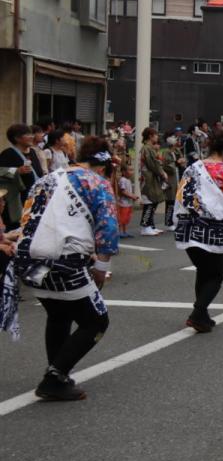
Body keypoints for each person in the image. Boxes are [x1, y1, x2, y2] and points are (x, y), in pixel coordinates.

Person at [13, 136, 119, 401]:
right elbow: (107, 230)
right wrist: (101, 268)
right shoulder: (98, 183)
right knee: (96, 321)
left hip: (29, 259)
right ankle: (55, 376)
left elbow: (28, 216)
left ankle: (56, 372)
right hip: (65, 261)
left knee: (58, 315)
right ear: (104, 165)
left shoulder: (46, 179)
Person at [174, 131, 223, 333]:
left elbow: (182, 195)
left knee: (203, 271)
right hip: (213, 228)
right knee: (216, 276)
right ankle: (197, 312)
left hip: (188, 226)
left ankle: (202, 317)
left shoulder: (192, 169)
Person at [0, 124, 43, 228]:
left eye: (31, 133)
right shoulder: (8, 154)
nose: (31, 136)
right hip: (17, 203)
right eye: (27, 134)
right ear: (17, 138)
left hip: (34, 200)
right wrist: (16, 171)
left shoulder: (32, 152)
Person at [138, 128, 168, 236]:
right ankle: (145, 226)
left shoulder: (148, 148)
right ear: (150, 136)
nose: (157, 137)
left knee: (153, 201)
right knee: (149, 202)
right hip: (147, 178)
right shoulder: (146, 149)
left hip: (150, 177)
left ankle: (150, 225)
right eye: (155, 135)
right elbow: (153, 164)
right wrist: (162, 172)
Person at [161, 134, 184, 228]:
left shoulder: (177, 151)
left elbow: (182, 160)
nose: (177, 142)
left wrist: (181, 160)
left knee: (177, 200)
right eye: (176, 141)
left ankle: (174, 220)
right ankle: (168, 222)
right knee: (170, 200)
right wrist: (177, 162)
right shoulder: (166, 152)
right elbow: (166, 164)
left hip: (178, 175)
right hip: (171, 177)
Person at [116, 162, 137, 237]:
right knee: (122, 218)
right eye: (130, 170)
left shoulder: (128, 180)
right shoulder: (123, 180)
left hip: (128, 203)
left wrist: (133, 196)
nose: (132, 172)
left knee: (126, 218)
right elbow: (123, 191)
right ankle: (120, 231)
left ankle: (124, 231)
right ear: (124, 172)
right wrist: (132, 196)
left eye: (132, 170)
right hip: (123, 203)